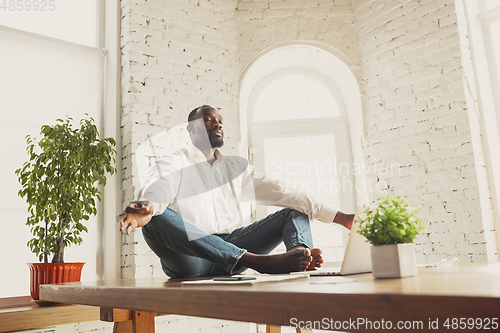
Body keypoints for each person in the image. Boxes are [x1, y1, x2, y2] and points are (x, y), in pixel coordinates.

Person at [119, 105, 354, 278]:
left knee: (294, 210)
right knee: (155, 219)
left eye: (220, 121)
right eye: (209, 120)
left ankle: (298, 257)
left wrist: (340, 218)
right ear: (191, 129)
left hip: (232, 243)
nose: (218, 124)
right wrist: (148, 206)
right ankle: (255, 261)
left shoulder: (236, 169)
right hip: (191, 258)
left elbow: (284, 192)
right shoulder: (176, 161)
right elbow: (161, 183)